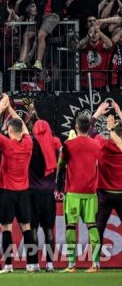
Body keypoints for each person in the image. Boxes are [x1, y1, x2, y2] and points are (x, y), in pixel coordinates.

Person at [0, 93, 36, 272]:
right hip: (23, 191)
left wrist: (0, 110)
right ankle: (33, 264)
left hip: (7, 191)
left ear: (8, 131)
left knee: (6, 227)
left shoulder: (7, 144)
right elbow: (23, 128)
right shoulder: (28, 143)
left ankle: (8, 265)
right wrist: (10, 110)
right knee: (26, 227)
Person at [60, 113, 102, 272]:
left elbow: (61, 163)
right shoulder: (96, 144)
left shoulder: (69, 145)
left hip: (73, 191)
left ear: (76, 127)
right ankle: (96, 264)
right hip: (91, 191)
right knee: (92, 225)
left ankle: (72, 264)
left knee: (71, 226)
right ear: (89, 127)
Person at [29, 115, 61, 272]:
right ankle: (50, 264)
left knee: (32, 230)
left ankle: (34, 264)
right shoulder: (55, 147)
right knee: (49, 231)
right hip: (49, 194)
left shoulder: (31, 146)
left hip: (32, 193)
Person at [95, 103, 122, 247]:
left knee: (98, 229)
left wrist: (98, 113)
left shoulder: (101, 144)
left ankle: (95, 264)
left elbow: (89, 131)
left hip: (104, 195)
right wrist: (119, 112)